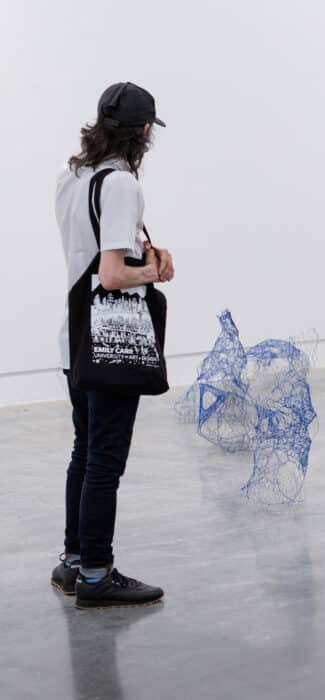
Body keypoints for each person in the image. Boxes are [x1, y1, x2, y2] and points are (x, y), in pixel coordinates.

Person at [51, 82, 174, 608]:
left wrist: (143, 251)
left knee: (84, 450)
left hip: (74, 339)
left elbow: (89, 255)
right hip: (111, 341)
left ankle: (75, 561)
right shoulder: (121, 183)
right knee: (105, 458)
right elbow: (111, 274)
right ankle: (98, 576)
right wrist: (154, 270)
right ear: (144, 131)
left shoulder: (72, 177)